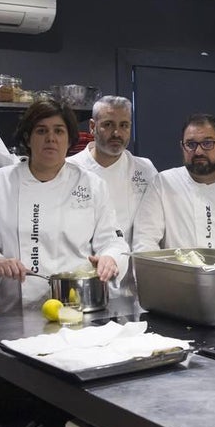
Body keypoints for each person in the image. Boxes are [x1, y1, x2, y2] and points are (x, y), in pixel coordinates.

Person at [0, 101, 129, 313]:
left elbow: (113, 241)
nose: (51, 138)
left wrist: (110, 258)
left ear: (69, 139)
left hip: (75, 308)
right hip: (11, 312)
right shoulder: (0, 182)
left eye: (59, 131)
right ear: (28, 138)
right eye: (41, 130)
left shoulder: (91, 185)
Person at [67, 95, 158, 294]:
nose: (117, 133)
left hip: (135, 284)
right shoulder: (70, 169)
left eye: (124, 125)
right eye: (108, 125)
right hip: (87, 279)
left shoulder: (145, 169)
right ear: (92, 126)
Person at [133, 113, 215, 251]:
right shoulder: (164, 184)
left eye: (207, 143)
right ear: (182, 146)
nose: (198, 151)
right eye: (191, 144)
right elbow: (144, 240)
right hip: (175, 272)